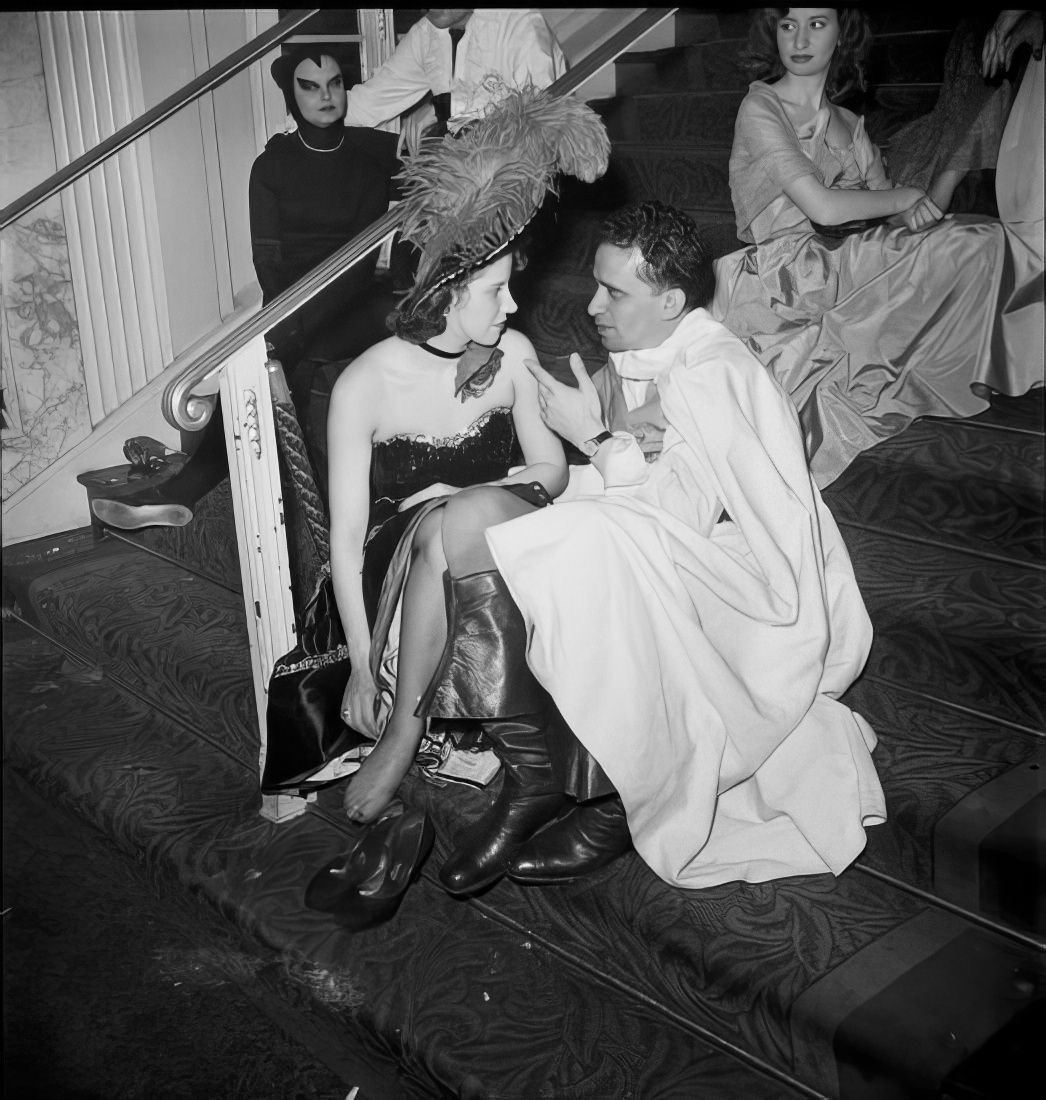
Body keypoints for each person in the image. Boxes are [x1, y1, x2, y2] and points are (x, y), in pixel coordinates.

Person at [438, 199, 886, 892]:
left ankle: (612, 800)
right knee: (501, 517)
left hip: (756, 587)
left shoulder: (712, 373)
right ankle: (536, 776)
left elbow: (673, 518)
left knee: (582, 541)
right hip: (694, 542)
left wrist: (593, 439)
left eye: (615, 292)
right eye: (596, 284)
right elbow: (657, 492)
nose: (592, 306)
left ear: (672, 300)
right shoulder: (657, 351)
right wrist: (577, 464)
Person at [262, 89, 611, 853]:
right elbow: (345, 542)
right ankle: (440, 731)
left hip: (502, 529)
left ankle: (407, 735)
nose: (514, 305)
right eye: (495, 291)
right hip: (399, 562)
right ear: (446, 292)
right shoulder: (366, 383)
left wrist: (471, 492)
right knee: (437, 533)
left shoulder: (513, 355)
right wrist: (359, 664)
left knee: (455, 519)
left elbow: (552, 472)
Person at [710, 7, 1042, 488]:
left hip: (841, 259)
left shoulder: (849, 123)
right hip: (784, 278)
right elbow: (823, 207)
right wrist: (905, 199)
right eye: (788, 25)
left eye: (817, 23)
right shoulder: (760, 107)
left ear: (842, 34)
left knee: (978, 240)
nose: (799, 37)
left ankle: (1008, 353)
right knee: (960, 245)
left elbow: (890, 212)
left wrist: (924, 195)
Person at [91, 49, 401, 531]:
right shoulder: (271, 166)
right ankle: (223, 497)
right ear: (290, 96)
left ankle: (181, 493)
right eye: (310, 85)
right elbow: (268, 257)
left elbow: (359, 262)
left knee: (272, 355)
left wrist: (299, 320)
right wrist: (290, 314)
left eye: (335, 83)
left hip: (351, 299)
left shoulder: (371, 160)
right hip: (291, 299)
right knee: (271, 354)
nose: (325, 95)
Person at [343, 9, 567, 152]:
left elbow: (538, 112)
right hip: (466, 186)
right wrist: (314, 103)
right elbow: (369, 103)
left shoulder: (520, 22)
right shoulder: (425, 33)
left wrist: (444, 106)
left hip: (528, 185)